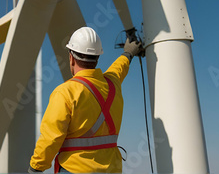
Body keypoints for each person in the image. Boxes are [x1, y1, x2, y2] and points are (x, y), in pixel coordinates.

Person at [28, 27, 142, 173]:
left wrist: (35, 168)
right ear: (97, 58)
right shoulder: (113, 83)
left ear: (71, 57)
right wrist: (128, 53)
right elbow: (119, 67)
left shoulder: (65, 93)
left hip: (75, 169)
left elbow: (50, 139)